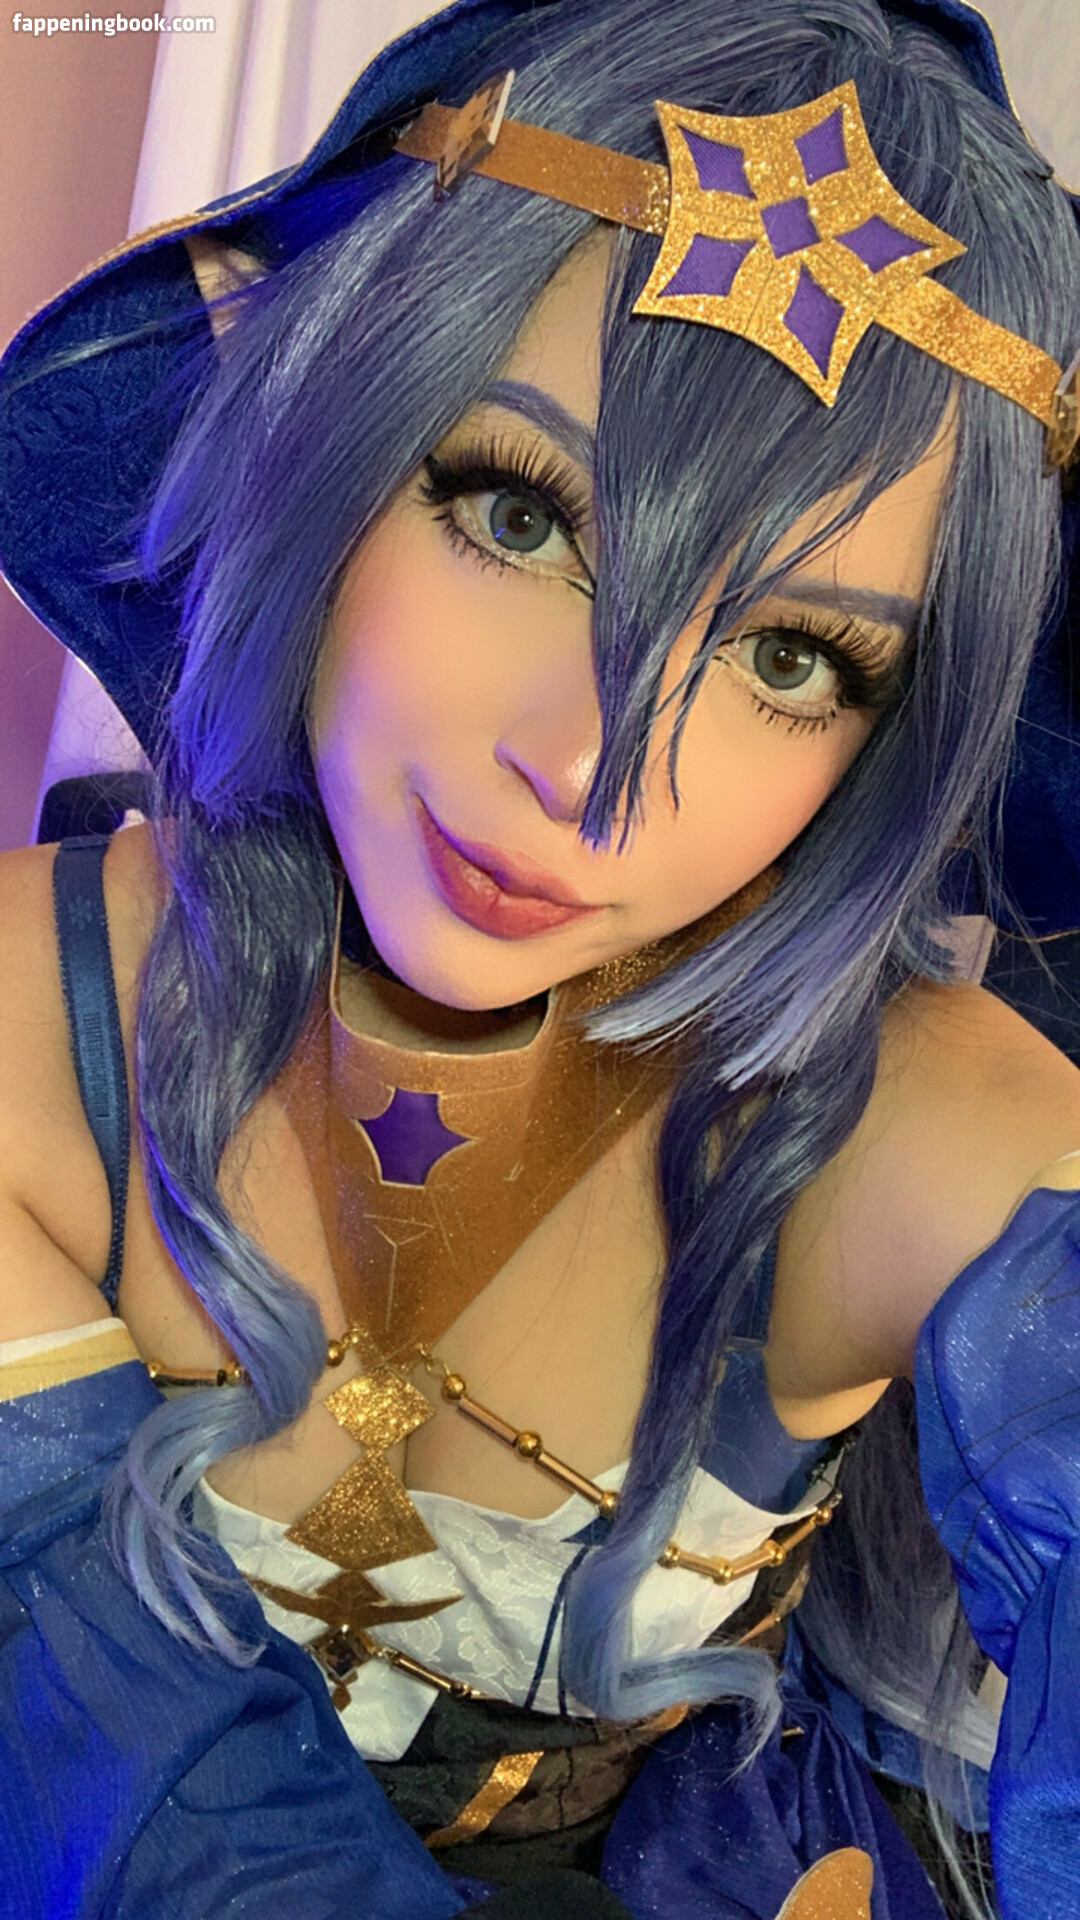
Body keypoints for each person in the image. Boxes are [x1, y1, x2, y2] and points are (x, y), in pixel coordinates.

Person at [1, 0, 1079, 1915]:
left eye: (789, 658)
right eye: (517, 513)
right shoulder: (25, 1030)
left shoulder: (932, 1128)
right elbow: (147, 1813)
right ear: (321, 425)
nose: (586, 774)